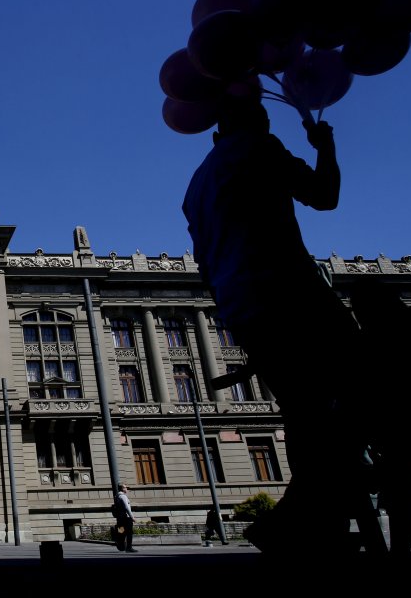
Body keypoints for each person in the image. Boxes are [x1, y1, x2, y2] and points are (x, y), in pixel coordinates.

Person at [182, 93, 369, 554]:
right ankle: (312, 506)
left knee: (301, 407)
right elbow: (324, 196)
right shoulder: (258, 146)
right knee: (362, 381)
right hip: (289, 288)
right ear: (254, 123)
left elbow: (204, 264)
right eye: (262, 119)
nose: (266, 125)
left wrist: (236, 314)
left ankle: (311, 516)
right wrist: (324, 145)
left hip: (242, 306)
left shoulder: (196, 184)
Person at [116, 484, 136, 553]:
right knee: (129, 532)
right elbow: (127, 507)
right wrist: (132, 517)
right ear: (122, 489)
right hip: (126, 517)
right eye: (125, 487)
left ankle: (120, 545)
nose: (127, 489)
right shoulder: (123, 496)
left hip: (120, 517)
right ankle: (129, 547)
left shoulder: (117, 496)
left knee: (121, 531)